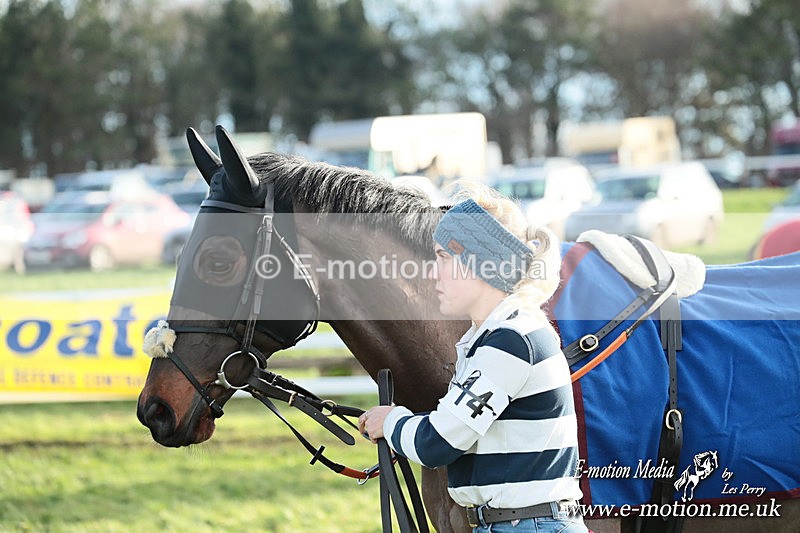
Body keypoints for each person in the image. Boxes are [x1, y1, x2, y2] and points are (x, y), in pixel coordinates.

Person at [358, 184, 587, 533]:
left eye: (444, 258)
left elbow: (438, 444)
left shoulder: (511, 340)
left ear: (481, 264)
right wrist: (401, 431)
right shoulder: (496, 337)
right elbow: (461, 428)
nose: (434, 273)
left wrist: (392, 423)